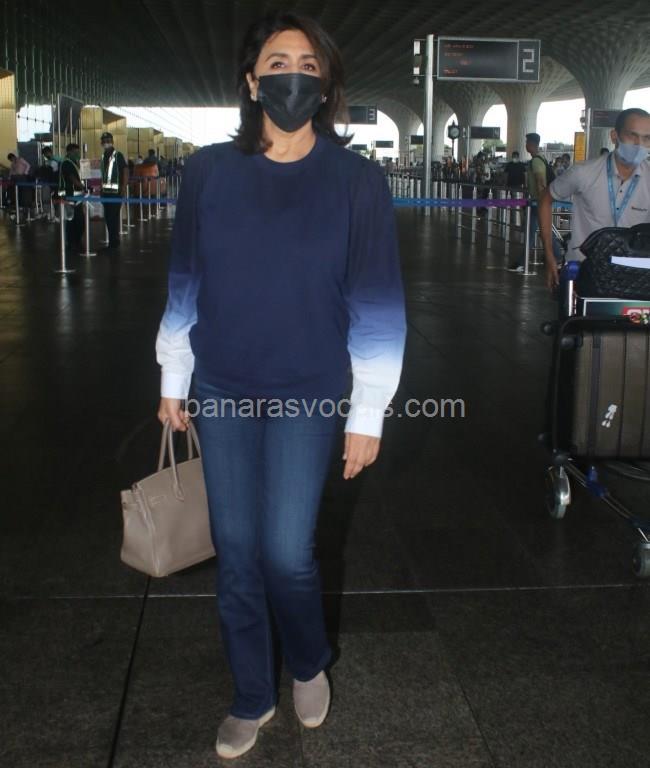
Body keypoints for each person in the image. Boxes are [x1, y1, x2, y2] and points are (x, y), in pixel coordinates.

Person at [155, 11, 406, 761]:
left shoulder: (357, 180)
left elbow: (377, 302)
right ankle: (250, 695)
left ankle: (306, 659)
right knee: (236, 551)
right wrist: (173, 376)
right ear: (250, 81)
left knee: (287, 553)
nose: (291, 75)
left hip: (309, 388)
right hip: (223, 385)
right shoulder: (208, 172)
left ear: (325, 86)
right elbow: (185, 281)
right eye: (276, 62)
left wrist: (368, 413)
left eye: (307, 64)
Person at [540, 107, 650, 290]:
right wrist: (550, 255)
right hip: (584, 271)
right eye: (632, 135)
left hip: (635, 276)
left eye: (647, 138)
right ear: (614, 136)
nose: (639, 144)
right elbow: (545, 199)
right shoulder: (583, 173)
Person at [507, 132, 563, 273]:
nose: (525, 145)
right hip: (538, 202)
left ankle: (523, 262)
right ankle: (558, 257)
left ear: (531, 144)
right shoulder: (540, 158)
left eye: (527, 142)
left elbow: (540, 181)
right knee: (541, 231)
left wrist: (541, 201)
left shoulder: (536, 161)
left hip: (538, 202)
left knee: (534, 232)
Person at [99, 131, 127, 250]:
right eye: (104, 141)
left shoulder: (118, 155)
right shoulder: (103, 156)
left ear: (112, 142)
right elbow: (104, 175)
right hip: (105, 193)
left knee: (112, 218)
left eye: (108, 141)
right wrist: (101, 189)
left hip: (115, 193)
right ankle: (113, 241)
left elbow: (125, 171)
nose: (106, 143)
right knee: (108, 218)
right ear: (101, 143)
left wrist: (123, 188)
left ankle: (113, 243)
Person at [58, 143, 85, 251]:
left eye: (78, 152)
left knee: (76, 219)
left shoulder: (73, 163)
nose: (77, 154)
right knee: (73, 220)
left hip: (76, 195)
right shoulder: (67, 163)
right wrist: (83, 187)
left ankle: (75, 241)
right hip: (70, 195)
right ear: (69, 152)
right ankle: (73, 242)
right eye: (75, 152)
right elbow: (72, 178)